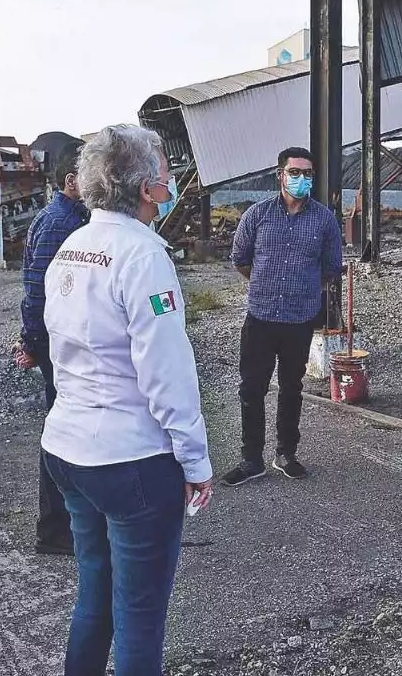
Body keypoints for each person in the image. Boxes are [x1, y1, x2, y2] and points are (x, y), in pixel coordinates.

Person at [41, 124, 213, 676]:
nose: (168, 189)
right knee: (140, 617)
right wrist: (195, 459)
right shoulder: (143, 256)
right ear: (145, 188)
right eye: (164, 178)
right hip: (130, 457)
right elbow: (166, 374)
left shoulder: (73, 247)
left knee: (96, 594)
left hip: (68, 447)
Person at [222, 146, 343, 486]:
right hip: (260, 317)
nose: (301, 179)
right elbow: (240, 259)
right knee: (252, 388)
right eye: (295, 172)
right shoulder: (257, 215)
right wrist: (266, 284)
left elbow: (331, 268)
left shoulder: (324, 220)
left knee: (292, 387)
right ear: (280, 175)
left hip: (299, 320)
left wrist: (302, 289)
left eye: (307, 174)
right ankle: (251, 459)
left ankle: (286, 453)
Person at [14, 139, 88, 556]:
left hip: (58, 342)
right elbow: (38, 290)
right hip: (57, 344)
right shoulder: (61, 222)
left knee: (66, 430)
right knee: (62, 434)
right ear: (71, 181)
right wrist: (33, 341)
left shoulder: (73, 217)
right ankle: (54, 529)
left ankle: (63, 524)